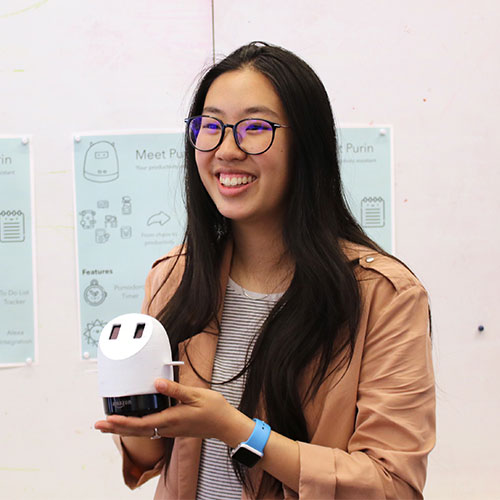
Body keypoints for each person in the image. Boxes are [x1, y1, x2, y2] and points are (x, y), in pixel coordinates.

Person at [95, 41, 435, 499]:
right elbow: (150, 460)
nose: (226, 149)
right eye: (210, 126)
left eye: (254, 128)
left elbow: (392, 485)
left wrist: (238, 430)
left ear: (306, 145)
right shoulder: (173, 276)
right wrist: (133, 417)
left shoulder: (383, 296)